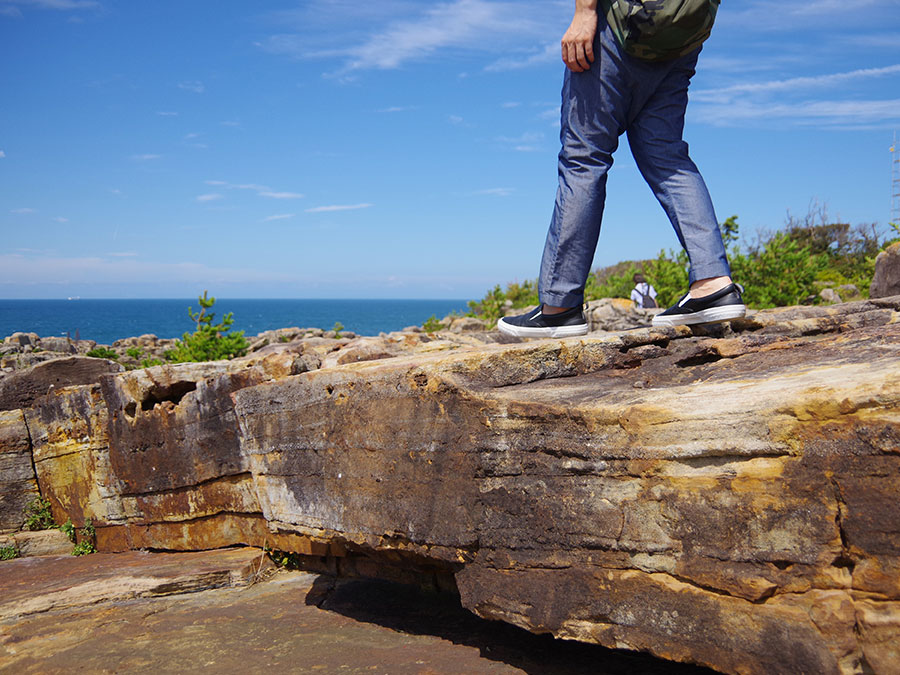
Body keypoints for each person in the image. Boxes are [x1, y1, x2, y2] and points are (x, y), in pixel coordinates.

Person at [498, 0, 746, 338]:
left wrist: (585, 12)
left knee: (584, 159)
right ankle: (713, 283)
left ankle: (559, 306)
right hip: (682, 32)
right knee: (668, 157)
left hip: (620, 25)